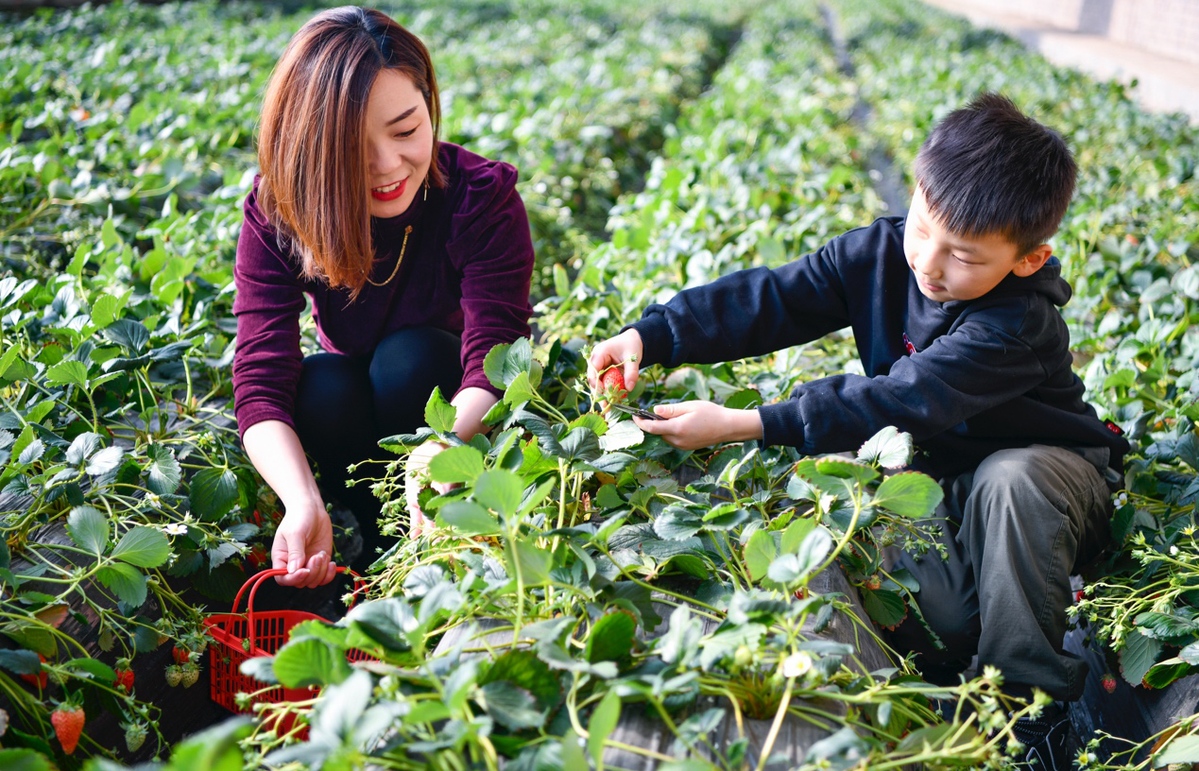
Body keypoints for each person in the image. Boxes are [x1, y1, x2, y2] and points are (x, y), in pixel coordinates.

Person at [589, 93, 1127, 768]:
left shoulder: (1016, 324)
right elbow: (776, 298)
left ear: (1026, 259)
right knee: (945, 623)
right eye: (923, 228)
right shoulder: (881, 253)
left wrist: (745, 424)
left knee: (1007, 479)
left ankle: (1026, 712)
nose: (929, 264)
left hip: (1047, 486)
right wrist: (652, 333)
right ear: (914, 193)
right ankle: (972, 654)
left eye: (962, 255)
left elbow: (904, 397)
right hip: (933, 477)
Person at [232, 7, 535, 588]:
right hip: (356, 410)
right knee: (320, 387)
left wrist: (444, 446)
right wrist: (301, 502)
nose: (387, 165)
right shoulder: (279, 213)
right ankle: (376, 542)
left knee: (410, 358)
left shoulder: (480, 197)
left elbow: (498, 352)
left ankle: (447, 527)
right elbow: (260, 376)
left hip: (454, 399)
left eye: (406, 130)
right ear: (310, 146)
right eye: (351, 147)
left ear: (429, 107)